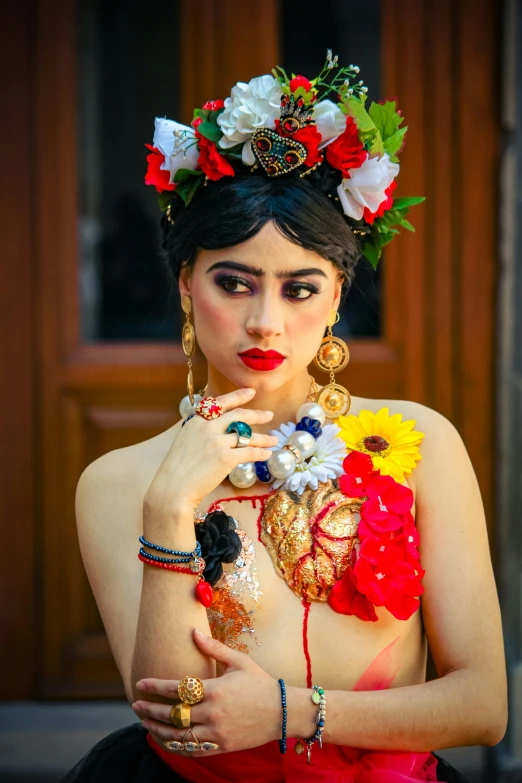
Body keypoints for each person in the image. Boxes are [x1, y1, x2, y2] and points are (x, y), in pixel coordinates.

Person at [62, 52, 506, 783]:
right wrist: (172, 510)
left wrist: (290, 710)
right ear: (185, 283)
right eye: (233, 283)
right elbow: (178, 728)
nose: (265, 322)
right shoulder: (121, 481)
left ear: (335, 299)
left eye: (300, 289)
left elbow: (485, 704)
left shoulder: (420, 443)